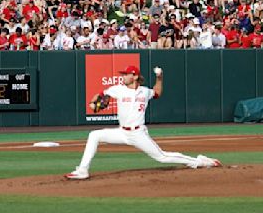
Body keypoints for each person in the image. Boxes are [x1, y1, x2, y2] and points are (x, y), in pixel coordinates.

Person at [65, 65, 221, 180]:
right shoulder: (118, 89)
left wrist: (159, 78)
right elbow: (97, 97)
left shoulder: (145, 91)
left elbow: (158, 92)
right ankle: (83, 170)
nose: (123, 77)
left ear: (134, 76)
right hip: (122, 132)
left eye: (126, 74)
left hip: (138, 133)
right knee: (94, 135)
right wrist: (93, 105)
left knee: (162, 157)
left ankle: (200, 162)